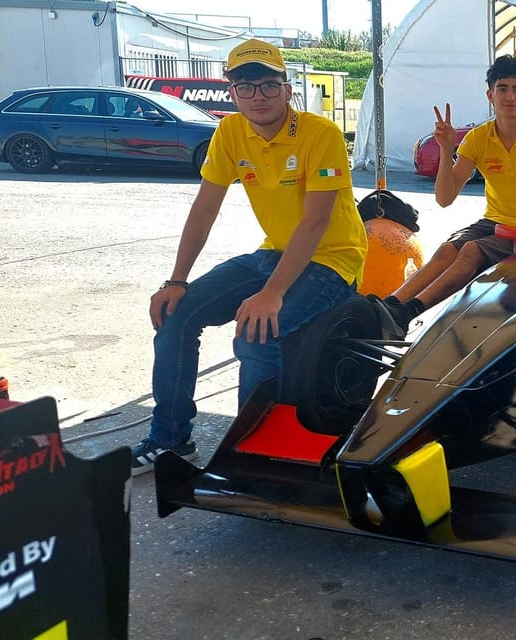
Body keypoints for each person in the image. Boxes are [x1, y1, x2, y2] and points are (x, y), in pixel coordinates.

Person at [131, 39, 368, 474]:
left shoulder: (321, 134)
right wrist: (177, 281)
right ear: (232, 93)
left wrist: (271, 294)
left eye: (268, 85)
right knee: (175, 317)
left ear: (287, 89)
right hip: (273, 252)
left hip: (333, 261)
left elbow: (316, 222)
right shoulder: (229, 132)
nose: (258, 96)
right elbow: (204, 208)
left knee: (256, 334)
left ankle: (254, 453)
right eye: (245, 86)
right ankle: (170, 440)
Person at [372, 54, 516, 338]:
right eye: (502, 88)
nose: (510, 96)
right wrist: (445, 150)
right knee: (447, 250)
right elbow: (444, 198)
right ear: (490, 95)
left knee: (470, 251)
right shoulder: (478, 138)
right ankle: (387, 306)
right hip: (492, 223)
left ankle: (407, 313)